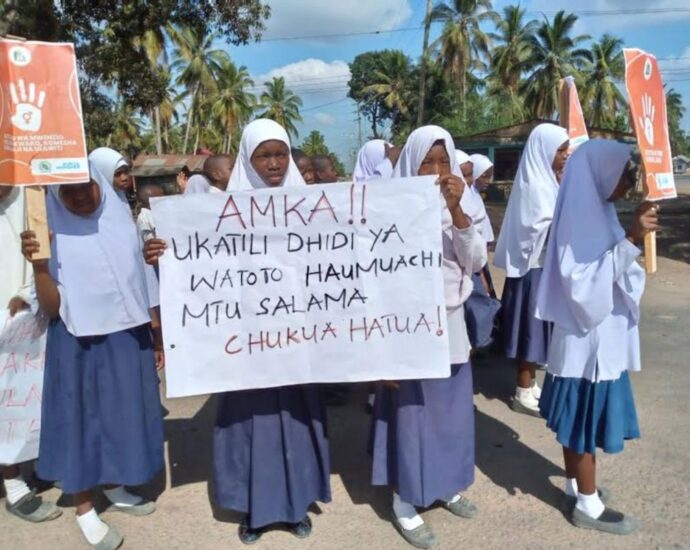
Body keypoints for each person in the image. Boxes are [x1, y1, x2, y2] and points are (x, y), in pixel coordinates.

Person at [143, 119, 331, 544]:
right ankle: (254, 510)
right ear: (248, 157)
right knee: (252, 425)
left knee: (296, 419)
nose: (274, 164)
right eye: (264, 155)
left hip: (298, 342)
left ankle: (296, 502)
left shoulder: (316, 208)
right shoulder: (220, 214)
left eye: (280, 154)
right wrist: (164, 255)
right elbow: (200, 261)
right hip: (245, 344)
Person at [20, 164, 165, 549]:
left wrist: (153, 257)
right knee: (81, 421)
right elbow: (52, 308)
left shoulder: (121, 224)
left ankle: (115, 483)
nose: (80, 197)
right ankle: (84, 506)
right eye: (67, 192)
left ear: (99, 183)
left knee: (121, 415)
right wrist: (39, 267)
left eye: (86, 187)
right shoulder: (51, 235)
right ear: (55, 196)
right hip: (77, 341)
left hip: (125, 336)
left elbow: (142, 284)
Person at [371, 125, 485, 549]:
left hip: (451, 323)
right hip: (406, 328)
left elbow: (473, 263)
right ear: (410, 165)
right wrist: (382, 351)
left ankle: (446, 484)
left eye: (443, 162)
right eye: (426, 162)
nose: (436, 171)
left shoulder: (460, 205)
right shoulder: (385, 209)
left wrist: (457, 213)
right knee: (412, 414)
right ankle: (405, 500)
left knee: (450, 411)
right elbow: (374, 278)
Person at [535, 139, 655, 534]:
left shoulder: (599, 212)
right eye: (624, 174)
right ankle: (587, 504)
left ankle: (576, 486)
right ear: (600, 172)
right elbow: (583, 287)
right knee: (582, 423)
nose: (627, 182)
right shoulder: (578, 220)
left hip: (595, 341)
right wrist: (632, 241)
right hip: (585, 343)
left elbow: (620, 275)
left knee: (578, 421)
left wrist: (632, 243)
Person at [493, 123, 569, 417]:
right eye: (560, 151)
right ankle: (523, 389)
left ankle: (531, 383)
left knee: (538, 330)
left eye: (565, 151)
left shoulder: (546, 181)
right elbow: (535, 230)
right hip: (531, 270)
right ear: (545, 151)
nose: (564, 156)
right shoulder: (534, 186)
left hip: (542, 268)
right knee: (529, 330)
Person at [0, 185, 62, 523]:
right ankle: (13, 483)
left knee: (37, 394)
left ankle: (41, 462)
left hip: (35, 309)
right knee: (5, 401)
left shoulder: (33, 193)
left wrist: (28, 292)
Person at [457, 151, 499, 350]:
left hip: (476, 258)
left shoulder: (470, 195)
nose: (469, 180)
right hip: (466, 262)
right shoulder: (457, 201)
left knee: (478, 302)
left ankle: (480, 341)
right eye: (464, 175)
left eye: (470, 174)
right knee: (474, 303)